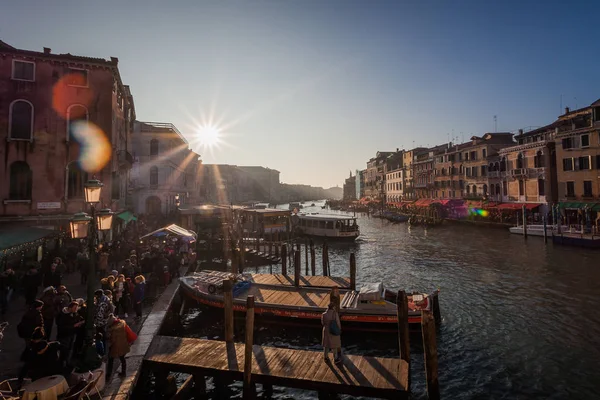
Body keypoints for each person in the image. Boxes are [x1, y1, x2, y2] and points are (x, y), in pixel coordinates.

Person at [56, 301, 84, 365]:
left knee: (69, 349)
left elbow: (78, 318)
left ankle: (66, 361)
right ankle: (61, 363)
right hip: (64, 335)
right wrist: (73, 326)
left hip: (71, 334)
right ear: (70, 308)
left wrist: (80, 322)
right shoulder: (63, 315)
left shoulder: (74, 313)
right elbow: (61, 327)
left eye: (76, 308)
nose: (76, 310)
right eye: (74, 308)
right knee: (64, 349)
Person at [105, 314, 131, 378]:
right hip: (123, 344)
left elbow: (112, 340)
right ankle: (123, 372)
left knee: (111, 359)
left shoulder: (113, 330)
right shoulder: (122, 323)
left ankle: (108, 375)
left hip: (116, 346)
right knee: (122, 359)